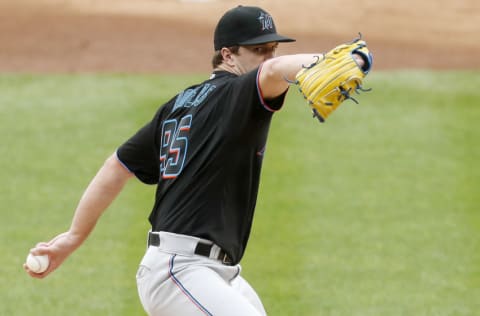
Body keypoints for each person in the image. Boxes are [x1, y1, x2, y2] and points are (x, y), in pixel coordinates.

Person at [24, 5, 367, 316]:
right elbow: (275, 71)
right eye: (259, 50)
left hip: (208, 271)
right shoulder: (238, 93)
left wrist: (74, 235)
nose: (268, 56)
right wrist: (332, 60)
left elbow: (117, 166)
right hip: (180, 269)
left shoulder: (180, 104)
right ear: (227, 54)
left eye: (272, 49)